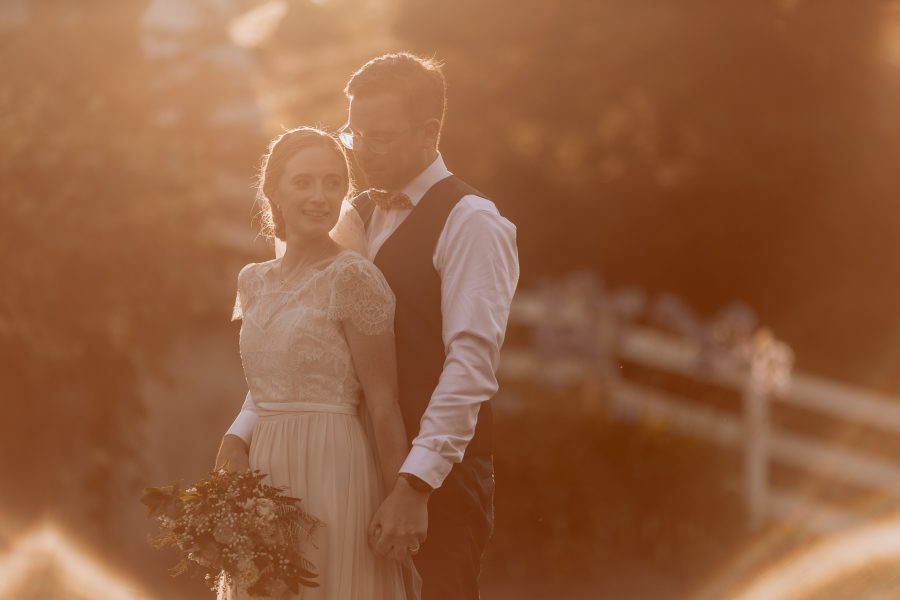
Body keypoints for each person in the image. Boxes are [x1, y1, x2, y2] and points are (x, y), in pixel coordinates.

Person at [217, 52, 520, 599]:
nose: (361, 150)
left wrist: (413, 483)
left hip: (438, 479)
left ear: (429, 131)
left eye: (379, 136)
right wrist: (241, 433)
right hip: (342, 475)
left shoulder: (473, 223)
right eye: (355, 133)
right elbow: (296, 342)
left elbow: (470, 369)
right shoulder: (345, 214)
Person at [216, 126, 415, 599]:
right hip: (263, 469)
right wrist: (235, 436)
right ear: (275, 192)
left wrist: (401, 499)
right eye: (303, 182)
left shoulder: (354, 278)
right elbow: (274, 378)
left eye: (332, 183)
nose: (320, 196)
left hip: (333, 470)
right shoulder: (254, 281)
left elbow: (384, 403)